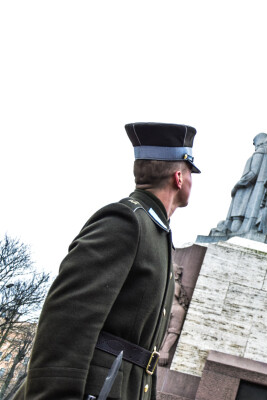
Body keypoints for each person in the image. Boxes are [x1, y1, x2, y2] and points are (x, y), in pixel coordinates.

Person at [13, 122, 200, 400]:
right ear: (178, 178)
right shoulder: (127, 221)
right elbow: (67, 317)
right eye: (190, 172)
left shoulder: (155, 233)